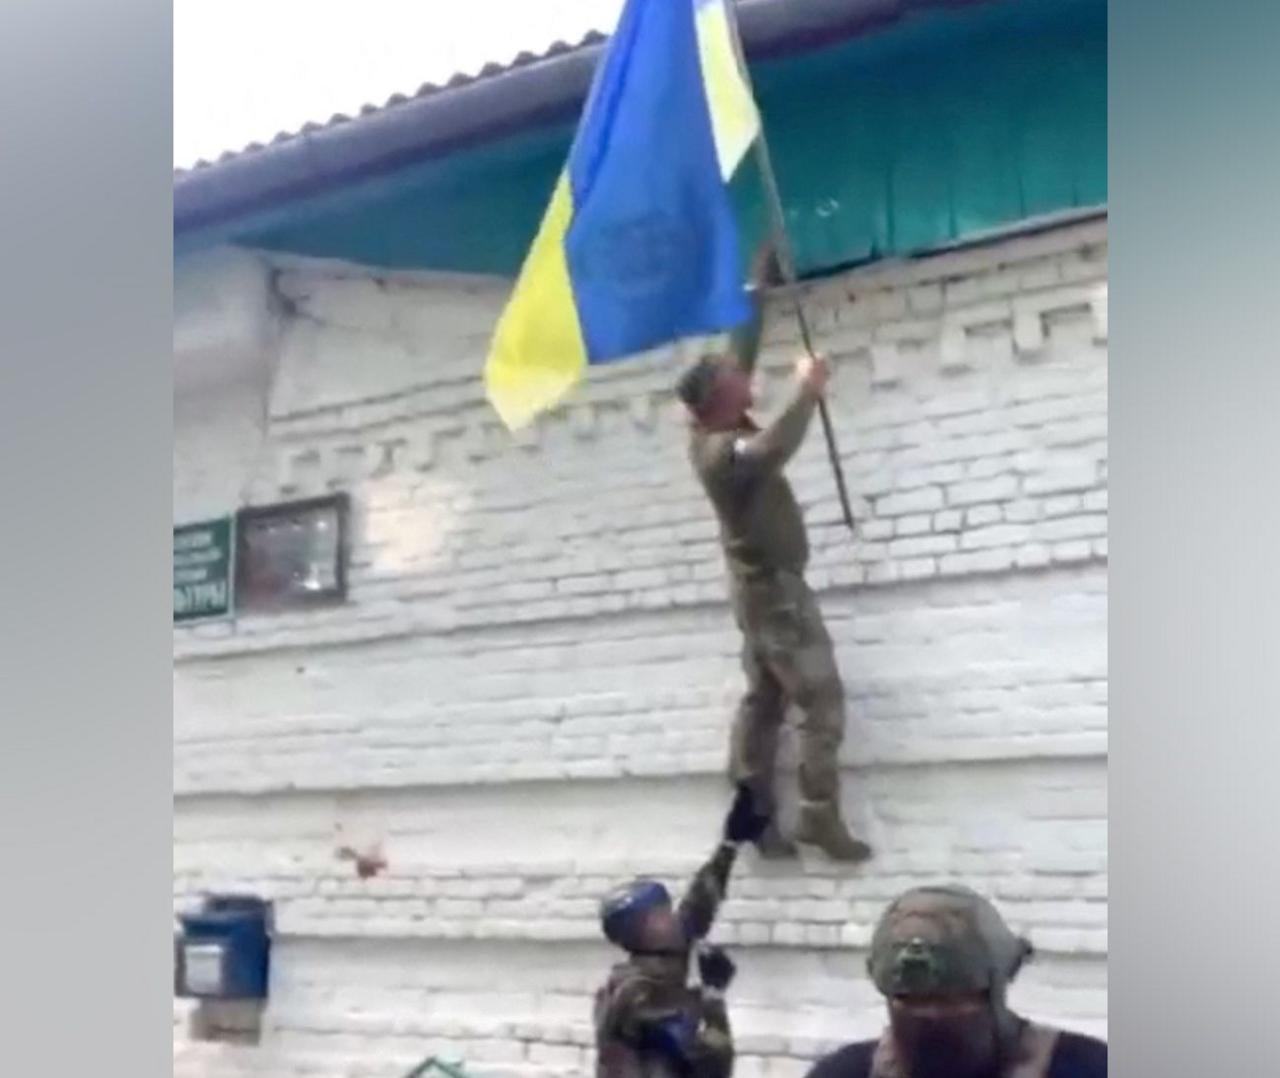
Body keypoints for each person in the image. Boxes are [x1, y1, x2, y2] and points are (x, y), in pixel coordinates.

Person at [675, 243, 870, 863]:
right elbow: (769, 453)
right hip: (775, 595)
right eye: (738, 383)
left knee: (765, 700)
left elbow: (741, 350)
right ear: (717, 403)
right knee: (820, 698)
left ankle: (754, 814)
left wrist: (759, 285)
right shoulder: (719, 453)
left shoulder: (717, 415)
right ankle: (817, 815)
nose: (747, 377)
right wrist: (807, 392)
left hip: (757, 591)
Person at [804, 885, 1108, 1078]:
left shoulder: (1084, 1067)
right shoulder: (846, 1072)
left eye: (956, 1000)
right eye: (912, 1002)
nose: (933, 1015)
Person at [592, 785, 769, 1077]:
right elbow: (713, 1065)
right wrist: (713, 998)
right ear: (643, 932)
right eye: (662, 912)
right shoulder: (635, 996)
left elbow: (696, 910)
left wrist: (730, 845)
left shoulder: (658, 963)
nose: (674, 916)